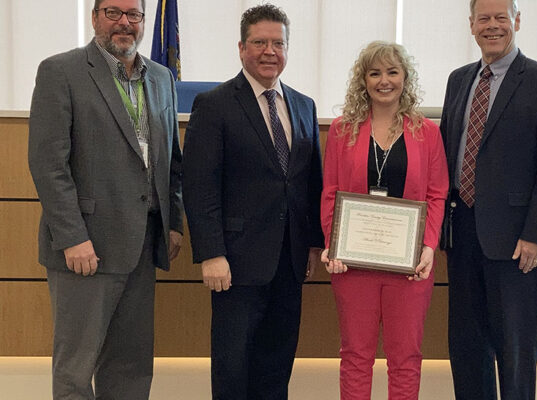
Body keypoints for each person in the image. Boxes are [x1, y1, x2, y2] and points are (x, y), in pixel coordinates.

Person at [28, 0, 184, 398]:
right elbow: (49, 165)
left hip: (143, 244)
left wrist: (172, 222)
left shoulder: (162, 78)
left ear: (145, 22)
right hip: (85, 248)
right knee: (75, 371)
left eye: (134, 15)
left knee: (130, 368)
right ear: (94, 17)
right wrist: (71, 237)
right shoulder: (60, 71)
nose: (124, 23)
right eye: (114, 12)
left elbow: (171, 160)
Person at [182, 3, 324, 399]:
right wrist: (211, 253)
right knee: (232, 367)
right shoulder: (214, 105)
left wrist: (312, 242)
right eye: (259, 42)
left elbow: (310, 180)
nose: (269, 51)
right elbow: (199, 185)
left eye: (278, 43)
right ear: (241, 48)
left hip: (290, 260)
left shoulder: (303, 105)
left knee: (277, 365)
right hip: (235, 262)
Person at [439, 0, 537, 399]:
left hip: (517, 241)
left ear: (517, 21)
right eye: (484, 18)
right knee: (466, 347)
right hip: (461, 235)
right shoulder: (458, 79)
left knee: (515, 351)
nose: (492, 26)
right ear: (471, 25)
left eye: (501, 18)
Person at [320, 41, 449, 400]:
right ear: (363, 80)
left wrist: (428, 246)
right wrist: (333, 243)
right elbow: (330, 191)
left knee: (406, 358)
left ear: (405, 78)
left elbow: (437, 193)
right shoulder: (344, 130)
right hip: (353, 265)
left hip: (410, 267)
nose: (384, 81)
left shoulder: (427, 132)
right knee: (355, 356)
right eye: (375, 73)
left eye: (392, 72)